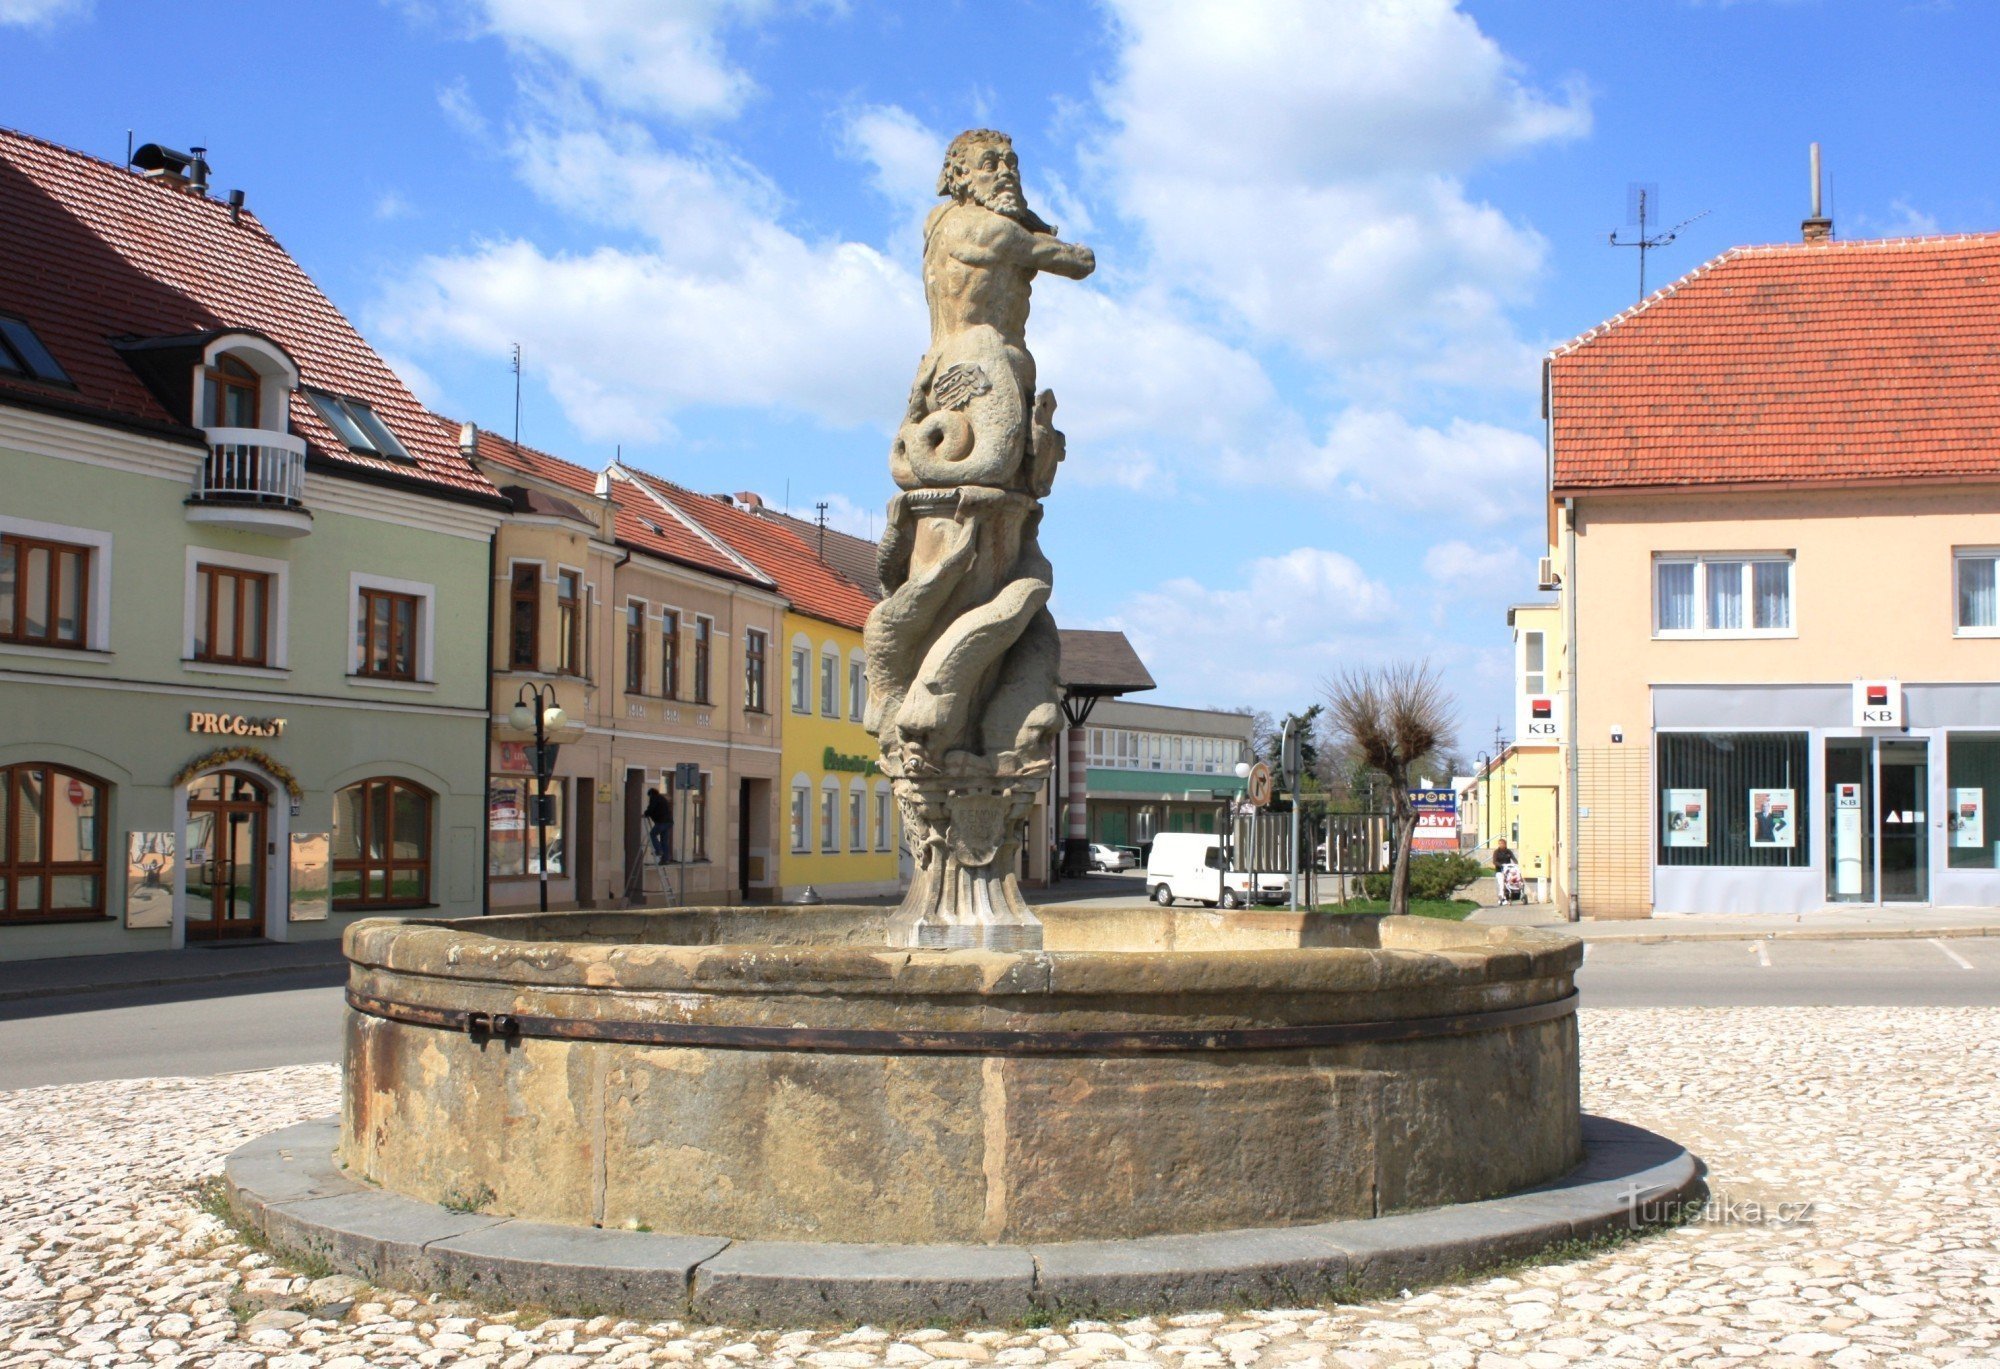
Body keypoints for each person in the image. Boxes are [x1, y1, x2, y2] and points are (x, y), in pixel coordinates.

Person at [644, 786, 673, 864]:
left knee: (652, 835)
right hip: (668, 822)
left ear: (651, 794)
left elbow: (651, 808)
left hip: (661, 822)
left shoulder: (654, 798)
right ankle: (665, 859)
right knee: (664, 841)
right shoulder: (662, 798)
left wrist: (646, 814)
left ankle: (658, 850)